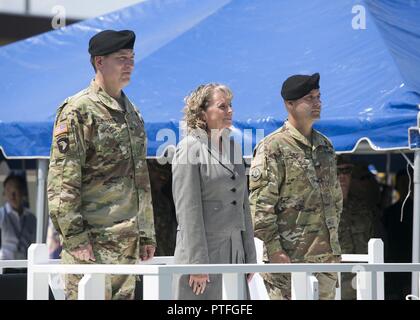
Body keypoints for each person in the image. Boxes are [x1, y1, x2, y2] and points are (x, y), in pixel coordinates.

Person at [47, 29, 156, 300]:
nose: (129, 64)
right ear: (99, 62)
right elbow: (63, 182)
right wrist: (75, 239)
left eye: (131, 58)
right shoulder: (78, 110)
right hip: (92, 246)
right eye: (121, 58)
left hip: (127, 245)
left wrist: (146, 233)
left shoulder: (132, 113)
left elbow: (140, 180)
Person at [249, 73, 343, 300]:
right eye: (310, 98)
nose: (317, 102)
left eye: (319, 97)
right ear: (289, 104)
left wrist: (332, 248)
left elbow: (335, 200)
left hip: (325, 261)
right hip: (288, 262)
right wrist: (274, 249)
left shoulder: (325, 146)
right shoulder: (274, 147)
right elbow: (260, 208)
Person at [172, 83, 257, 299]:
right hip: (203, 257)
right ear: (202, 113)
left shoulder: (233, 148)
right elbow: (188, 211)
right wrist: (197, 263)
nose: (230, 111)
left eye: (230, 106)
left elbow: (243, 204)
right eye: (222, 106)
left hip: (234, 252)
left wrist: (250, 256)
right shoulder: (190, 148)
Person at [336, 156, 380, 299]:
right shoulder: (320, 211)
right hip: (335, 287)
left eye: (347, 171)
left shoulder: (363, 209)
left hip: (363, 284)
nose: (342, 177)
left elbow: (374, 243)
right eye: (337, 172)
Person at [382, 168, 413, 299]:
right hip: (393, 261)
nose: (405, 186)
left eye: (408, 182)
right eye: (402, 182)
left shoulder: (416, 210)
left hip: (412, 258)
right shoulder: (390, 212)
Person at [0, 173, 36, 261]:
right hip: (5, 265)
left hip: (26, 264)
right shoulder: (1, 214)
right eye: (8, 189)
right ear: (4, 193)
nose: (12, 194)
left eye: (16, 189)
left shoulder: (31, 218)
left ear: (23, 192)